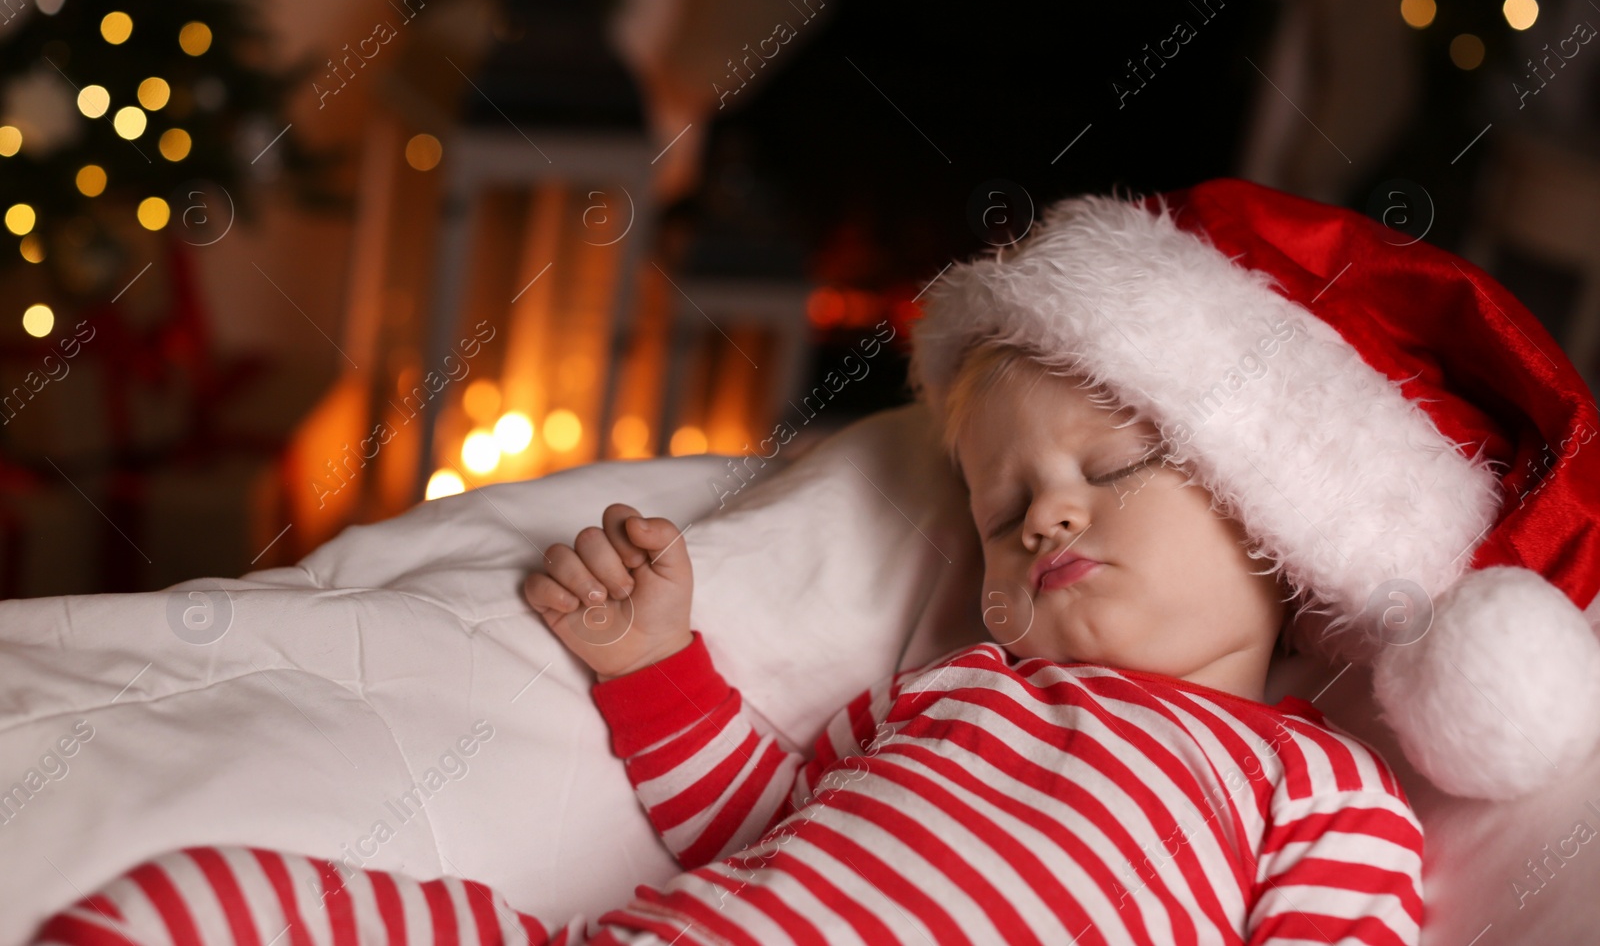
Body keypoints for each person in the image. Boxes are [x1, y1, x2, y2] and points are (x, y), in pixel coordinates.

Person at [29, 178, 1600, 945]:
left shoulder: (1307, 791)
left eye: (1102, 474)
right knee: (188, 902)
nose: (1043, 518)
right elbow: (748, 814)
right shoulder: (950, 695)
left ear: (1277, 520)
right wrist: (658, 666)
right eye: (999, 512)